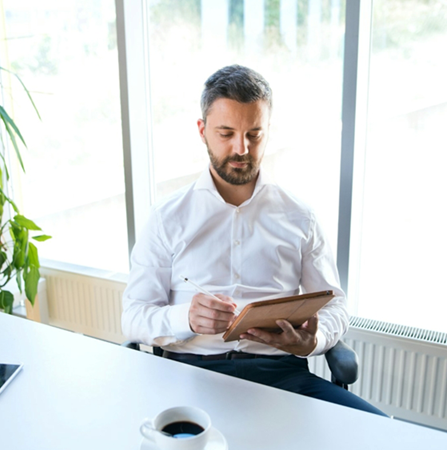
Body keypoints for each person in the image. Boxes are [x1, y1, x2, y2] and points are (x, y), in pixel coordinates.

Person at [121, 64, 385, 416]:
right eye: (226, 133)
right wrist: (186, 318)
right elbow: (133, 316)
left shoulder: (300, 217)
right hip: (191, 375)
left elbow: (334, 305)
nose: (241, 148)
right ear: (202, 130)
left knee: (381, 432)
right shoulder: (166, 218)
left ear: (267, 132)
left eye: (254, 134)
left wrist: (314, 341)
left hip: (283, 376)